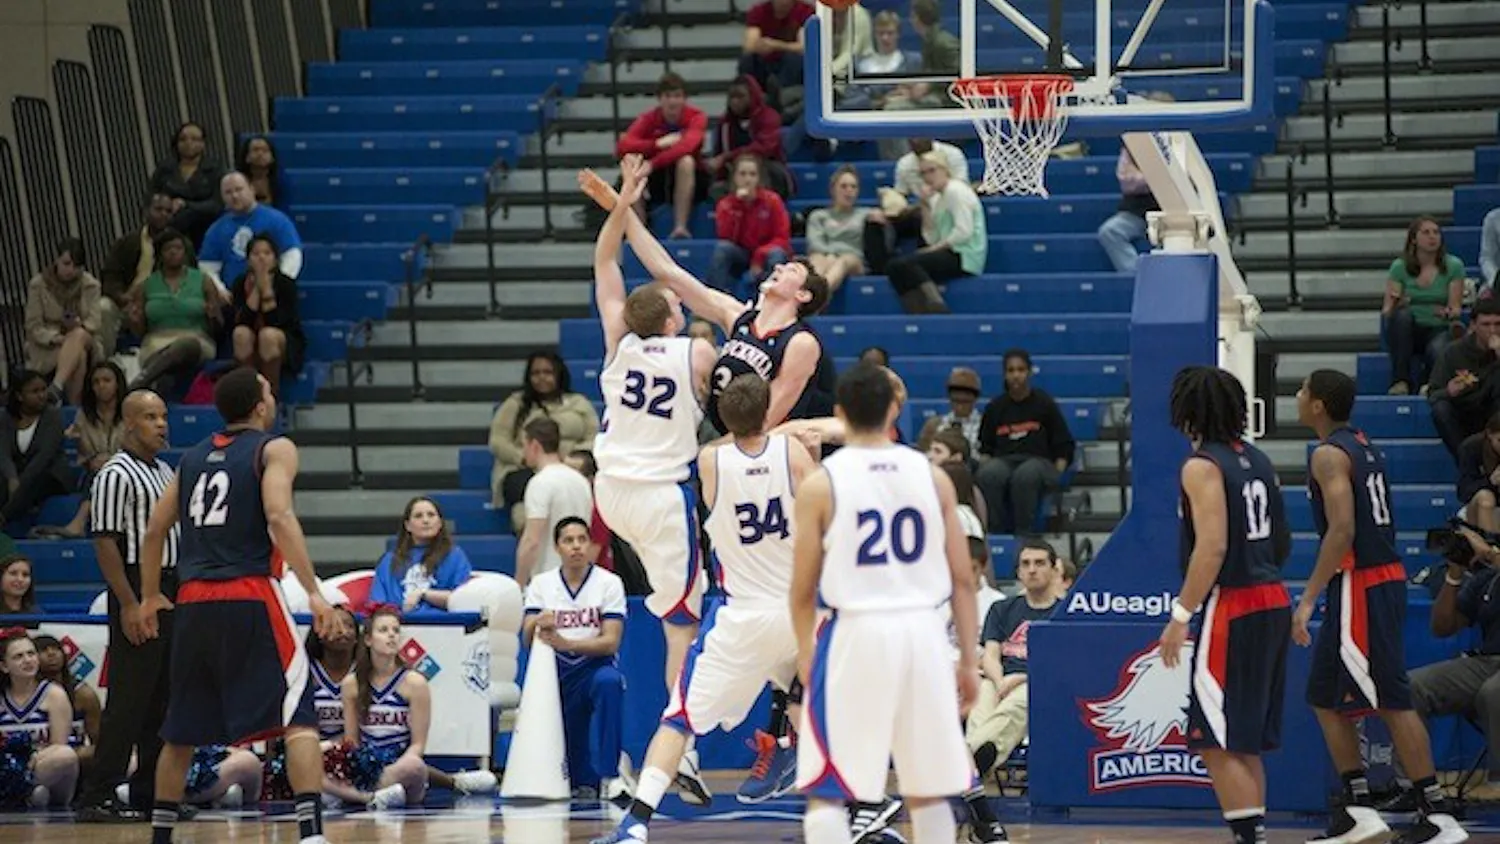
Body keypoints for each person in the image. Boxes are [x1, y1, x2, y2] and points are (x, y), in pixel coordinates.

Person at [594, 374, 816, 844]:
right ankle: (846, 806)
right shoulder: (792, 453)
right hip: (799, 612)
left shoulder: (710, 460)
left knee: (679, 719)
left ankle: (635, 822)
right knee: (810, 704)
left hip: (742, 615)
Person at [135, 365, 335, 844]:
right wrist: (314, 590)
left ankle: (161, 835)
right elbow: (278, 514)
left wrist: (147, 595)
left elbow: (153, 531)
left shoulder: (191, 458)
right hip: (249, 592)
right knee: (298, 716)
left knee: (181, 728)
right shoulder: (275, 448)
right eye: (267, 390)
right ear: (261, 405)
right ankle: (310, 835)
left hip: (193, 602)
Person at [790, 362, 978, 844]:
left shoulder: (820, 484)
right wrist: (970, 661)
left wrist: (806, 652)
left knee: (829, 790)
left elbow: (802, 588)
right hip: (923, 632)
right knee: (928, 791)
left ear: (839, 413)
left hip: (858, 631)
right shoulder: (935, 478)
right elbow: (962, 580)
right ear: (895, 408)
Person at [579, 163, 717, 802]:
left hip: (610, 494)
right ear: (670, 318)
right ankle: (678, 746)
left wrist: (623, 206)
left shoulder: (617, 341)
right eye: (676, 304)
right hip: (662, 497)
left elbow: (606, 262)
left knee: (671, 615)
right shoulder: (695, 351)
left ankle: (673, 743)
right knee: (681, 625)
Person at [1292, 369, 1468, 844]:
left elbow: (1343, 530)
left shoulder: (1329, 455)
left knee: (1391, 699)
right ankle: (1358, 808)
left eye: (1303, 389)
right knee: (1324, 697)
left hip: (1361, 584)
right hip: (1373, 581)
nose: (1297, 395)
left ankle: (1436, 815)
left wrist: (1308, 596)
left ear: (1318, 406)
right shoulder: (1365, 446)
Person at [1156, 366, 1291, 844]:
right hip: (1273, 595)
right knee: (1243, 739)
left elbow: (1210, 547)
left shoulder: (1201, 466)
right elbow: (1282, 543)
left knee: (1215, 740)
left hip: (1234, 604)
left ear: (1187, 411)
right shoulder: (1258, 458)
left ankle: (1248, 839)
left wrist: (1179, 617)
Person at [604, 155, 835, 435]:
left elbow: (773, 414)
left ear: (803, 295)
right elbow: (668, 272)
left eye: (792, 270)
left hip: (765, 449)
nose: (781, 267)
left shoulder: (801, 342)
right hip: (724, 439)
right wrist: (622, 206)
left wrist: (721, 451)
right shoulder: (738, 316)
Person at [74, 389, 176, 823]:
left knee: (162, 695)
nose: (162, 424)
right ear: (129, 423)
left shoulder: (164, 470)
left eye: (164, 416)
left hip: (170, 582)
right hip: (136, 584)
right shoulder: (116, 474)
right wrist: (130, 603)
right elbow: (105, 543)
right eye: (151, 417)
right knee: (130, 697)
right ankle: (98, 793)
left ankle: (150, 791)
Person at [524, 517, 630, 800]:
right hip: (554, 672)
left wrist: (567, 643)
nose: (576, 547)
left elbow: (610, 642)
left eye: (582, 539)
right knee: (577, 776)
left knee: (610, 682)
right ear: (557, 547)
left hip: (594, 667)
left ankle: (612, 774)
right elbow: (525, 638)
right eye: (568, 541)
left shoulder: (609, 583)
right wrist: (536, 624)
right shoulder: (541, 584)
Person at [322, 607, 430, 809]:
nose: (391, 635)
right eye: (383, 630)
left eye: (396, 631)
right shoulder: (351, 684)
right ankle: (370, 798)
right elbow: (352, 741)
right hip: (365, 766)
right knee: (311, 762)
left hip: (400, 767)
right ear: (368, 640)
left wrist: (394, 769)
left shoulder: (415, 683)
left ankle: (352, 794)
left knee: (415, 767)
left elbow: (418, 746)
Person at [974, 349, 1076, 534]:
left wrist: (1057, 475)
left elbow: (1063, 445)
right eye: (1011, 370)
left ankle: (1025, 535)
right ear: (1005, 374)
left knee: (1024, 476)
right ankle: (996, 535)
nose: (1016, 375)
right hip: (1005, 460)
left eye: (1020, 370)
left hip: (1039, 462)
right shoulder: (995, 407)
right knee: (988, 475)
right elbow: (986, 449)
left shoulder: (1044, 403)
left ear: (1029, 372)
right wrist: (985, 469)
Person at [34, 361, 128, 539]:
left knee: (108, 474)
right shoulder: (84, 415)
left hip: (127, 471)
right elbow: (84, 453)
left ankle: (78, 523)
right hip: (95, 471)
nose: (101, 386)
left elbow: (139, 447)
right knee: (101, 475)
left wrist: (114, 460)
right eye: (96, 382)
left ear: (117, 383)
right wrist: (92, 459)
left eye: (107, 380)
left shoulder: (131, 413)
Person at [885, 152, 986, 314]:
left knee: (908, 263)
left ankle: (937, 304)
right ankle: (918, 311)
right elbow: (930, 237)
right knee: (893, 267)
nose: (927, 177)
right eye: (923, 173)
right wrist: (925, 205)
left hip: (965, 254)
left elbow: (964, 231)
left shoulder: (956, 191)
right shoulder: (938, 198)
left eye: (932, 170)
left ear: (945, 170)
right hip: (949, 251)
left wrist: (935, 249)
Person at [125, 228, 222, 392]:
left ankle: (140, 383)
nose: (173, 252)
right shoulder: (146, 285)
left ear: (185, 252)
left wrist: (212, 316)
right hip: (156, 341)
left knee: (186, 344)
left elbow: (218, 328)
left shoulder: (203, 280)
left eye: (178, 248)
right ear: (160, 254)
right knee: (162, 361)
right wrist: (135, 321)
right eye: (168, 249)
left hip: (196, 340)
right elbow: (140, 332)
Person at [614, 73, 709, 239]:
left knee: (686, 161)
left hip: (691, 177)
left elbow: (687, 146)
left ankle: (680, 226)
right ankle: (639, 229)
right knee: (631, 161)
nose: (672, 102)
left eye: (677, 96)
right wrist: (656, 144)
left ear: (685, 99)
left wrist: (652, 164)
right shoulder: (649, 118)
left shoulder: (697, 117)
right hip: (658, 178)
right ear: (660, 99)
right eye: (668, 96)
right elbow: (623, 146)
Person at [1384, 216, 1466, 395]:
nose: (1432, 237)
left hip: (1438, 326)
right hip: (1409, 330)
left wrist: (1448, 312)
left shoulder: (1454, 266)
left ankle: (1428, 384)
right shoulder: (1399, 267)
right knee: (1402, 316)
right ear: (1413, 239)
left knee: (1438, 347)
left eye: (1436, 232)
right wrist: (1397, 303)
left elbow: (1456, 309)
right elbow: (1387, 310)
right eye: (1426, 232)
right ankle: (1400, 381)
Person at [99, 193, 188, 356]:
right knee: (103, 308)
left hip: (158, 302)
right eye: (158, 209)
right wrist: (121, 297)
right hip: (125, 302)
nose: (163, 214)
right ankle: (107, 362)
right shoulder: (127, 242)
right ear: (146, 211)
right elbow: (110, 276)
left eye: (168, 211)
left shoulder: (180, 245)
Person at [0, 631, 80, 808]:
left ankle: (29, 794)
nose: (28, 660)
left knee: (65, 756)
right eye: (18, 657)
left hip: (43, 769)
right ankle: (28, 796)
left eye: (31, 654)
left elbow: (59, 745)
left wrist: (31, 761)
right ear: (4, 666)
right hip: (5, 770)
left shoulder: (54, 694)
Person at [515, 417, 594, 588]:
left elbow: (531, 540)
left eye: (524, 446)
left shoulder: (540, 482)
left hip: (549, 581)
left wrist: (519, 583)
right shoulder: (581, 481)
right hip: (582, 578)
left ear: (534, 445)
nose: (523, 453)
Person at [24, 239, 104, 405]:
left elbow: (95, 321)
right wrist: (55, 337)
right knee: (78, 355)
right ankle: (74, 408)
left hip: (84, 336)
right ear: (57, 260)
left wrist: (78, 325)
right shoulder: (38, 285)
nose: (70, 270)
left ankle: (56, 386)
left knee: (79, 335)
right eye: (66, 263)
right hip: (49, 344)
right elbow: (33, 326)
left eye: (76, 266)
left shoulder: (90, 285)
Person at [199, 172, 303, 291]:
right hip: (233, 297)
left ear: (252, 189)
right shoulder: (216, 229)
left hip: (272, 294)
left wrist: (278, 285)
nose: (234, 196)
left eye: (239, 189)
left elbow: (292, 254)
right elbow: (207, 267)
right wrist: (220, 291)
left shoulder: (277, 220)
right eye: (228, 192)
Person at [368, 496, 474, 613]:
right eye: (418, 516)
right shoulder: (389, 560)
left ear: (440, 523)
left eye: (431, 515)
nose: (426, 520)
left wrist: (424, 594)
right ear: (407, 525)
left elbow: (462, 599)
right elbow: (377, 604)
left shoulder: (455, 556)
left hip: (443, 626)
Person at [230, 235, 306, 396]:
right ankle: (248, 395)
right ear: (248, 259)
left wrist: (266, 288)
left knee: (268, 336)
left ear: (276, 258)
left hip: (281, 340)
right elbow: (242, 321)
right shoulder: (239, 283)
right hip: (251, 338)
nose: (261, 258)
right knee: (240, 334)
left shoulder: (286, 284)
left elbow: (277, 322)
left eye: (267, 253)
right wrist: (257, 288)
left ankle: (270, 396)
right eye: (256, 254)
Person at [707, 155, 793, 296]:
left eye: (752, 174)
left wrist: (758, 257)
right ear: (734, 178)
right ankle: (715, 300)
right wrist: (738, 207)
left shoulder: (772, 201)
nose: (747, 179)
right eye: (742, 174)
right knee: (722, 249)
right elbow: (726, 236)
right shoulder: (726, 204)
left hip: (766, 253)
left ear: (758, 178)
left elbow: (782, 237)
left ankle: (771, 302)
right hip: (741, 254)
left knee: (776, 255)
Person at [1428, 296, 1500, 461]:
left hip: (1495, 414)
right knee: (1440, 409)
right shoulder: (1454, 352)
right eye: (1486, 325)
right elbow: (1433, 395)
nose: (1493, 331)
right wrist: (1449, 391)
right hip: (1465, 414)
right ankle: (1466, 462)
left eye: (1498, 324)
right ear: (1473, 325)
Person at [1, 371, 71, 534]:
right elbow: (2, 453)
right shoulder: (5, 418)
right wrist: (11, 477)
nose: (42, 395)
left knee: (35, 482)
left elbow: (44, 457)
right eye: (35, 391)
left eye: (43, 390)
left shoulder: (52, 416)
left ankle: (3, 518)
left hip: (50, 475)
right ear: (19, 396)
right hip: (18, 474)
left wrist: (19, 483)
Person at [805, 166, 871, 295]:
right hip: (825, 256)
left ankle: (819, 295)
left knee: (843, 261)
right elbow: (814, 243)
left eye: (854, 187)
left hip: (854, 259)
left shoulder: (865, 214)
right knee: (816, 259)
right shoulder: (818, 216)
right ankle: (816, 295)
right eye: (844, 186)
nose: (849, 191)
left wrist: (833, 255)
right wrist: (830, 255)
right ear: (833, 190)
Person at [1457, 412, 1500, 533]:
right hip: (1479, 508)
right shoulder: (1471, 448)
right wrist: (1490, 481)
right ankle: (1492, 546)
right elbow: (1464, 493)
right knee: (1485, 497)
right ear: (1489, 434)